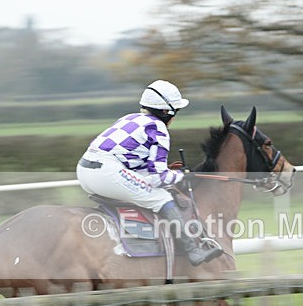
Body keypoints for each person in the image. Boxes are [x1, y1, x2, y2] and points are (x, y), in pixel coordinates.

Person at [77, 80, 222, 266]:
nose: (175, 117)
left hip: (84, 171)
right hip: (107, 173)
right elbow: (158, 178)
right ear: (166, 112)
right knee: (162, 198)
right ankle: (193, 250)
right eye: (175, 112)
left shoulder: (129, 118)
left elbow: (138, 167)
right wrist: (183, 175)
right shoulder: (158, 129)